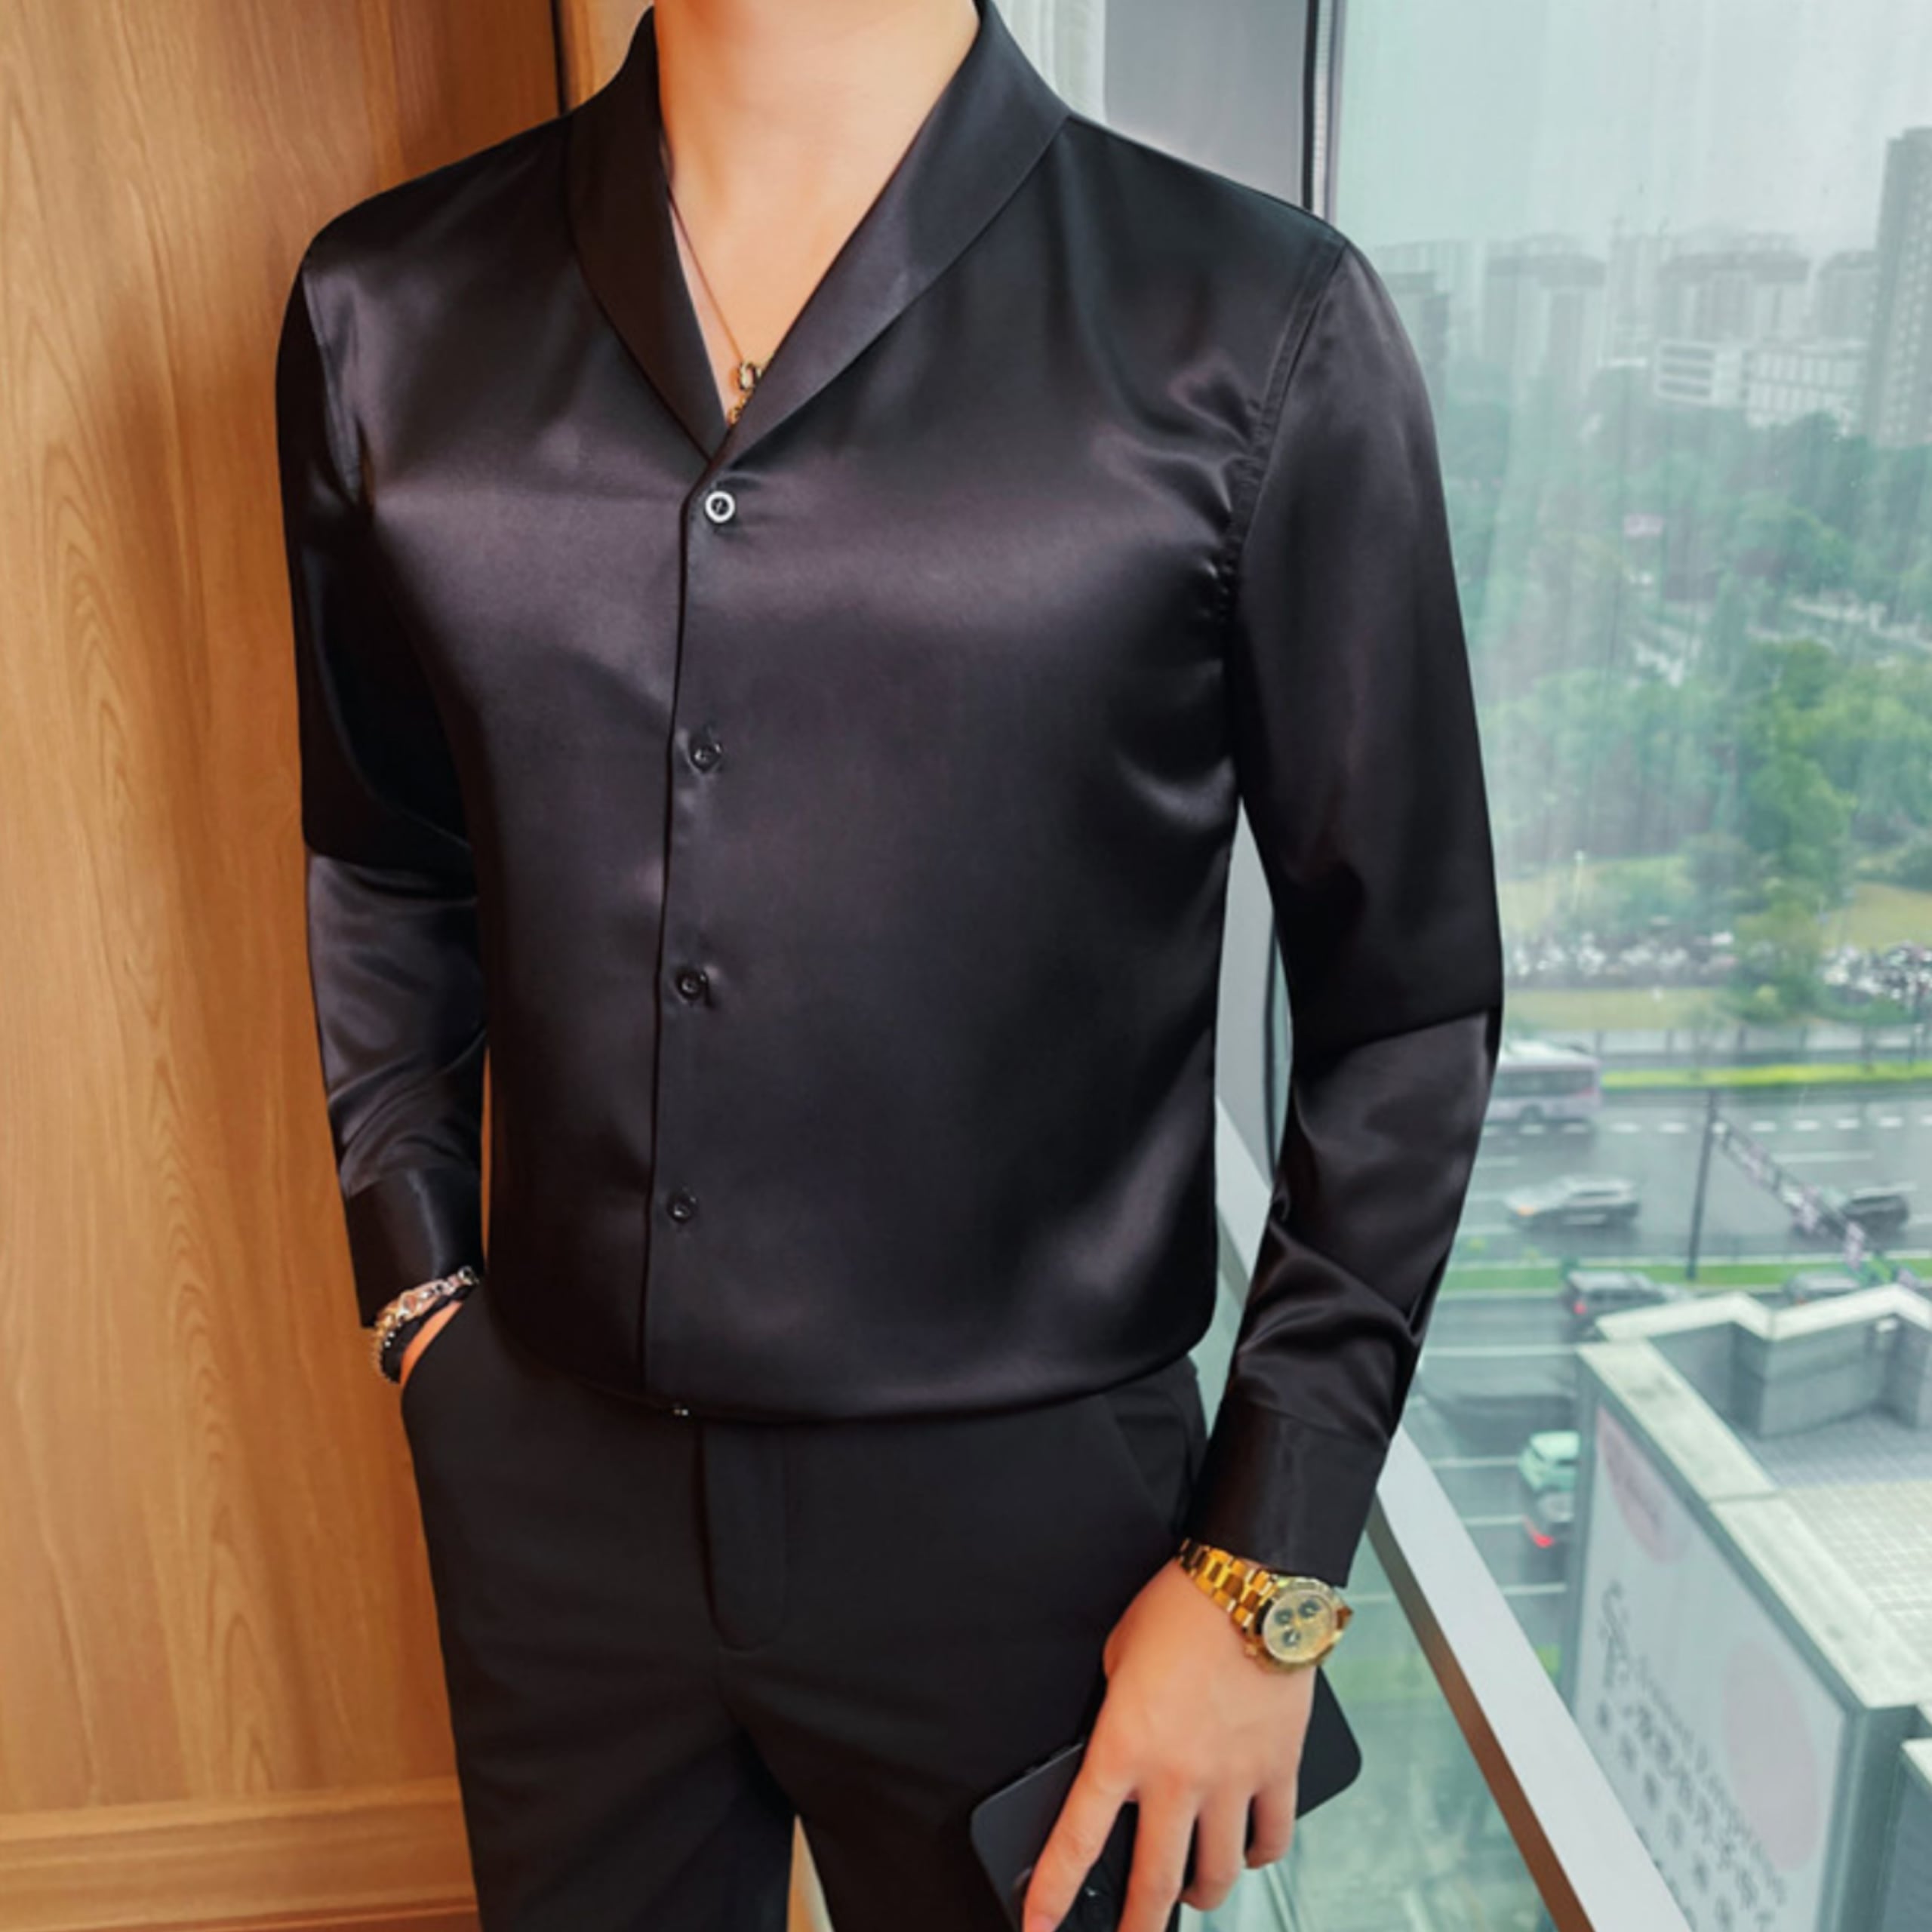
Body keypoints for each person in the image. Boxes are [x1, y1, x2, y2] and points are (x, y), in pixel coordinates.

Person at [272, 1, 1503, 1928]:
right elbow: (383, 853)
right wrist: (420, 1286)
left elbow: (1404, 1004)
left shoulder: (1250, 322)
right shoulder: (385, 308)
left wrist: (1268, 1558)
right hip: (552, 1486)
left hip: (1041, 1541)